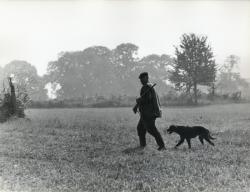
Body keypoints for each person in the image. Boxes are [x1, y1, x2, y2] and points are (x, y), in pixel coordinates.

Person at [133, 72, 166, 151]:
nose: (141, 80)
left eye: (143, 78)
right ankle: (142, 145)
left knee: (151, 129)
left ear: (147, 78)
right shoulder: (149, 86)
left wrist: (139, 100)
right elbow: (145, 98)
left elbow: (148, 99)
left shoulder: (147, 87)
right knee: (140, 128)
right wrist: (139, 102)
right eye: (140, 79)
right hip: (146, 113)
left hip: (149, 113)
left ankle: (162, 146)